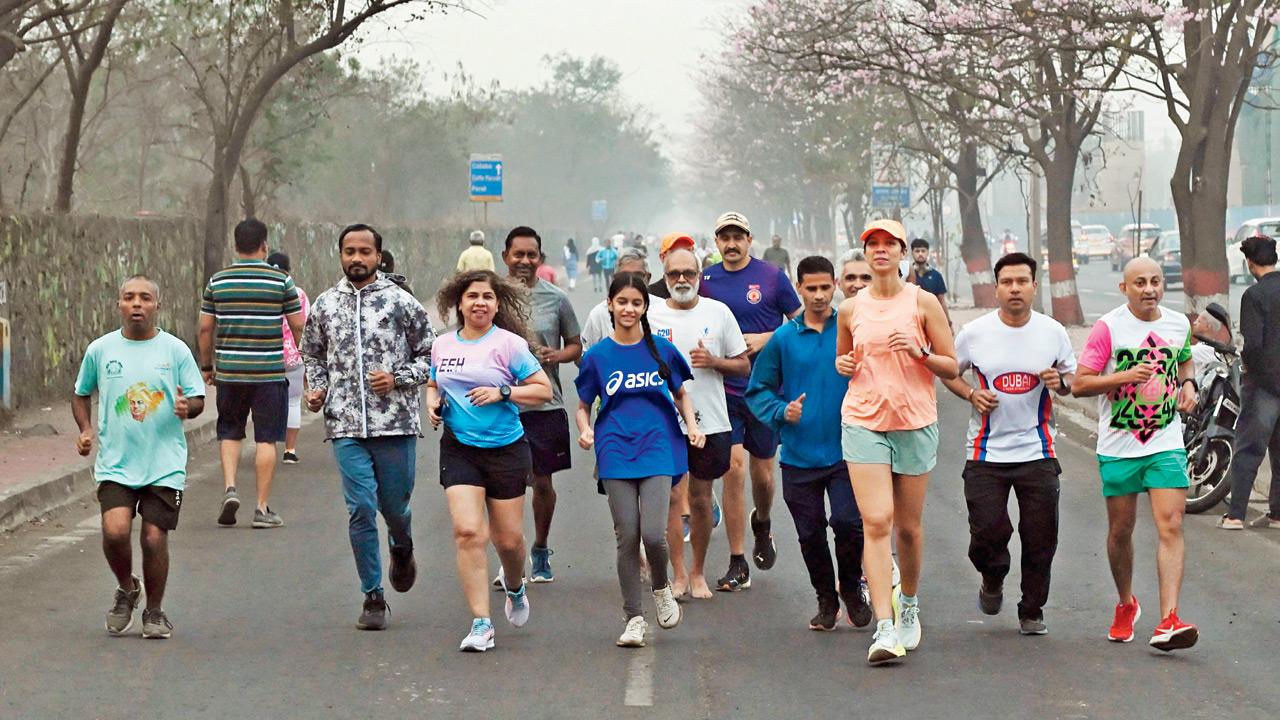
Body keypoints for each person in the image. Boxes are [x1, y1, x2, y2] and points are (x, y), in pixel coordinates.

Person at [300, 224, 434, 631]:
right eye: (349, 251)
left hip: (395, 424)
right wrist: (318, 389)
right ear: (340, 255)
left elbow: (431, 353)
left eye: (364, 251)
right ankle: (373, 595)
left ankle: (402, 544)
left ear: (379, 255)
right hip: (344, 424)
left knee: (394, 507)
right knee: (360, 508)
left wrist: (399, 378)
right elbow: (312, 354)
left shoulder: (401, 303)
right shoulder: (324, 305)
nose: (356, 258)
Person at [836, 218, 957, 665]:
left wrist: (919, 351)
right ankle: (884, 628)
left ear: (903, 252)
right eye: (874, 244)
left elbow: (951, 366)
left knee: (907, 527)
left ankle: (908, 601)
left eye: (890, 244)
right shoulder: (850, 309)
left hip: (914, 421)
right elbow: (843, 360)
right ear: (865, 252)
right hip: (864, 420)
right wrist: (844, 366)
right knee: (877, 521)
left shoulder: (922, 303)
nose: (881, 250)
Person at [939, 253, 1076, 636]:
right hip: (985, 453)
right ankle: (992, 577)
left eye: (1022, 281)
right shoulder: (974, 333)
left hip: (1038, 452)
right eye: (1007, 282)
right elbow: (949, 372)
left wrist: (1059, 384)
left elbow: (1072, 382)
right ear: (996, 287)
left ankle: (1032, 609)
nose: (1014, 288)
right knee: (988, 533)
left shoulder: (1053, 332)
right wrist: (970, 394)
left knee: (1040, 537)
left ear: (1034, 286)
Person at [1072, 257, 1199, 651]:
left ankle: (1168, 620)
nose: (1149, 289)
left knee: (1171, 524)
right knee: (1120, 531)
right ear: (1124, 288)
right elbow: (1079, 385)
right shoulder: (1108, 327)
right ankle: (1126, 603)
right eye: (1140, 282)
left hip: (1165, 441)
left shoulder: (1178, 324)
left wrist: (1190, 384)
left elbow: (1184, 358)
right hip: (1119, 446)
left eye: (1156, 281)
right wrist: (1124, 376)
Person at [427, 270, 553, 652]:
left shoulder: (510, 345)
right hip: (459, 448)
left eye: (487, 297)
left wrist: (503, 392)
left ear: (497, 305)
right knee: (468, 532)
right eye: (472, 296)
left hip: (506, 449)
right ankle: (481, 623)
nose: (479, 302)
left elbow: (543, 391)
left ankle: (515, 587)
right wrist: (433, 402)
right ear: (458, 303)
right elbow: (435, 382)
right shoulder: (442, 345)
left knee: (509, 541)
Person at [74, 276, 205, 639]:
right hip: (116, 462)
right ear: (118, 304)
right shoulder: (101, 349)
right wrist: (85, 430)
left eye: (144, 298)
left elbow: (197, 398)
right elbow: (80, 392)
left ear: (156, 306)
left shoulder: (175, 350)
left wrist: (187, 407)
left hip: (165, 464)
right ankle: (127, 588)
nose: (136, 304)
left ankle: (155, 611)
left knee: (152, 536)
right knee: (115, 532)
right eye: (129, 298)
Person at [575, 274, 702, 647]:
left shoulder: (661, 350)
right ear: (610, 305)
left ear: (645, 308)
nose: (629, 309)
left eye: (637, 303)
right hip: (614, 447)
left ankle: (661, 587)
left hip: (659, 445)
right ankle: (633, 618)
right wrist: (585, 430)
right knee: (627, 535)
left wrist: (692, 426)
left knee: (652, 534)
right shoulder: (597, 356)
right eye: (623, 302)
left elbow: (682, 394)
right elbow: (583, 406)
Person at [747, 256, 873, 631]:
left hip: (847, 450)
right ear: (798, 289)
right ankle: (825, 598)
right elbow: (758, 390)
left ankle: (850, 588)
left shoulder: (851, 328)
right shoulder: (784, 338)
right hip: (799, 455)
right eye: (810, 288)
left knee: (850, 524)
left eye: (824, 287)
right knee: (810, 532)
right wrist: (781, 411)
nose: (819, 296)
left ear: (835, 285)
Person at [698, 211, 802, 591]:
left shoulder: (772, 277)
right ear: (716, 242)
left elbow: (801, 321)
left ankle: (763, 520)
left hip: (765, 389)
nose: (731, 243)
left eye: (737, 236)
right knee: (734, 468)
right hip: (722, 389)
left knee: (762, 474)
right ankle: (737, 560)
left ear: (749, 239)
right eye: (724, 237)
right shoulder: (705, 281)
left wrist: (768, 337)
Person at [649, 248, 749, 600]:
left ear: (699, 277)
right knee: (675, 498)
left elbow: (743, 366)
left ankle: (698, 571)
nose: (682, 280)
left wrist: (715, 361)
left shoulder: (718, 312)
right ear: (664, 278)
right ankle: (677, 573)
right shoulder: (652, 315)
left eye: (689, 273)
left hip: (711, 421)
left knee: (702, 500)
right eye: (674, 274)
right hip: (665, 422)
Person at [198, 218, 303, 529]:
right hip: (268, 373)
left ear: (235, 245)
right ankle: (261, 508)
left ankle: (230, 489)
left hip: (230, 373)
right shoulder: (280, 281)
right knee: (267, 438)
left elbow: (205, 327)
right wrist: (300, 355)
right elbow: (297, 324)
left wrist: (207, 365)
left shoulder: (217, 281)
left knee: (230, 431)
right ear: (264, 245)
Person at [502, 226, 582, 584]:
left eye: (531, 254)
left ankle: (540, 547)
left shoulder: (557, 299)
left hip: (545, 404)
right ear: (505, 256)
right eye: (518, 254)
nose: (524, 261)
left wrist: (557, 354)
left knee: (542, 482)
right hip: (499, 405)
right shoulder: (491, 296)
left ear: (541, 258)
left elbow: (576, 346)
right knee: (505, 485)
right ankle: (510, 554)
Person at [1221, 235, 1280, 530]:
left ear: (1250, 264)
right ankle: (1277, 514)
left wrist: (1248, 371)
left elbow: (1253, 346)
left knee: (1248, 449)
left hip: (1264, 387)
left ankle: (1235, 515)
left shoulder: (1254, 296)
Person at [266, 252, 309, 464]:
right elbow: (303, 325)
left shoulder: (261, 293)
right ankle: (290, 451)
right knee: (293, 402)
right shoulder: (298, 294)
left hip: (266, 358)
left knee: (265, 405)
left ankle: (267, 448)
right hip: (293, 358)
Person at [581, 249, 654, 350]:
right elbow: (585, 355)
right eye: (625, 276)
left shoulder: (663, 310)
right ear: (615, 278)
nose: (631, 281)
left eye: (638, 275)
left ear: (648, 278)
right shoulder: (599, 314)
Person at [907, 238, 949, 323]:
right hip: (912, 319)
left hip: (932, 319)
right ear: (912, 253)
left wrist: (948, 322)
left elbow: (942, 301)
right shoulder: (906, 275)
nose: (920, 254)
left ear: (927, 252)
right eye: (917, 251)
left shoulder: (936, 275)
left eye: (923, 251)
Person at [648, 233, 696, 299]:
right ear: (663, 257)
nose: (682, 256)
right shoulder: (650, 295)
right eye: (675, 252)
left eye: (687, 251)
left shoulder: (705, 290)